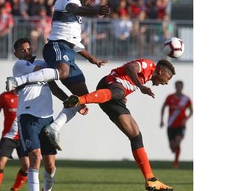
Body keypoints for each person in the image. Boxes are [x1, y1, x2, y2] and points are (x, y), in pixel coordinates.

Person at [6, 0, 111, 150]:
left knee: (83, 98)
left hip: (68, 51)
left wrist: (91, 58)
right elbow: (74, 9)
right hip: (56, 45)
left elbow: (73, 41)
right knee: (62, 72)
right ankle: (17, 81)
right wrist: (95, 11)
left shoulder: (76, 13)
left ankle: (55, 127)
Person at [63, 58, 175, 191]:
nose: (166, 83)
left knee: (136, 135)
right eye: (167, 79)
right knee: (119, 92)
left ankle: (150, 180)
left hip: (115, 96)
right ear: (161, 71)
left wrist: (129, 91)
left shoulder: (147, 77)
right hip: (109, 84)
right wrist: (140, 87)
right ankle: (79, 100)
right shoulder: (148, 64)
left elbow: (127, 81)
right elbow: (130, 68)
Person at [12, 38, 84, 191]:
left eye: (28, 49)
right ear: (16, 54)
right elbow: (43, 70)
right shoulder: (20, 65)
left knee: (50, 166)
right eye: (22, 50)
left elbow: (54, 87)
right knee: (35, 157)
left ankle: (47, 189)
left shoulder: (44, 66)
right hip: (28, 116)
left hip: (47, 118)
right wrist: (55, 65)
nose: (27, 52)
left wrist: (71, 101)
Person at [0, 89, 29, 191]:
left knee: (27, 166)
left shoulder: (28, 95)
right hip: (9, 137)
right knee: (0, 163)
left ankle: (14, 189)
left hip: (23, 138)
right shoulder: (5, 96)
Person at [160, 80, 193, 168]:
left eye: (180, 86)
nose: (178, 88)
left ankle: (175, 163)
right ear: (175, 87)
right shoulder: (170, 97)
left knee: (177, 142)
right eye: (177, 86)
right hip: (171, 124)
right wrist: (162, 120)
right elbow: (163, 107)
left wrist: (186, 119)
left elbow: (191, 111)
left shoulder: (186, 99)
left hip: (181, 125)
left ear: (182, 87)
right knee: (172, 147)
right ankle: (174, 150)